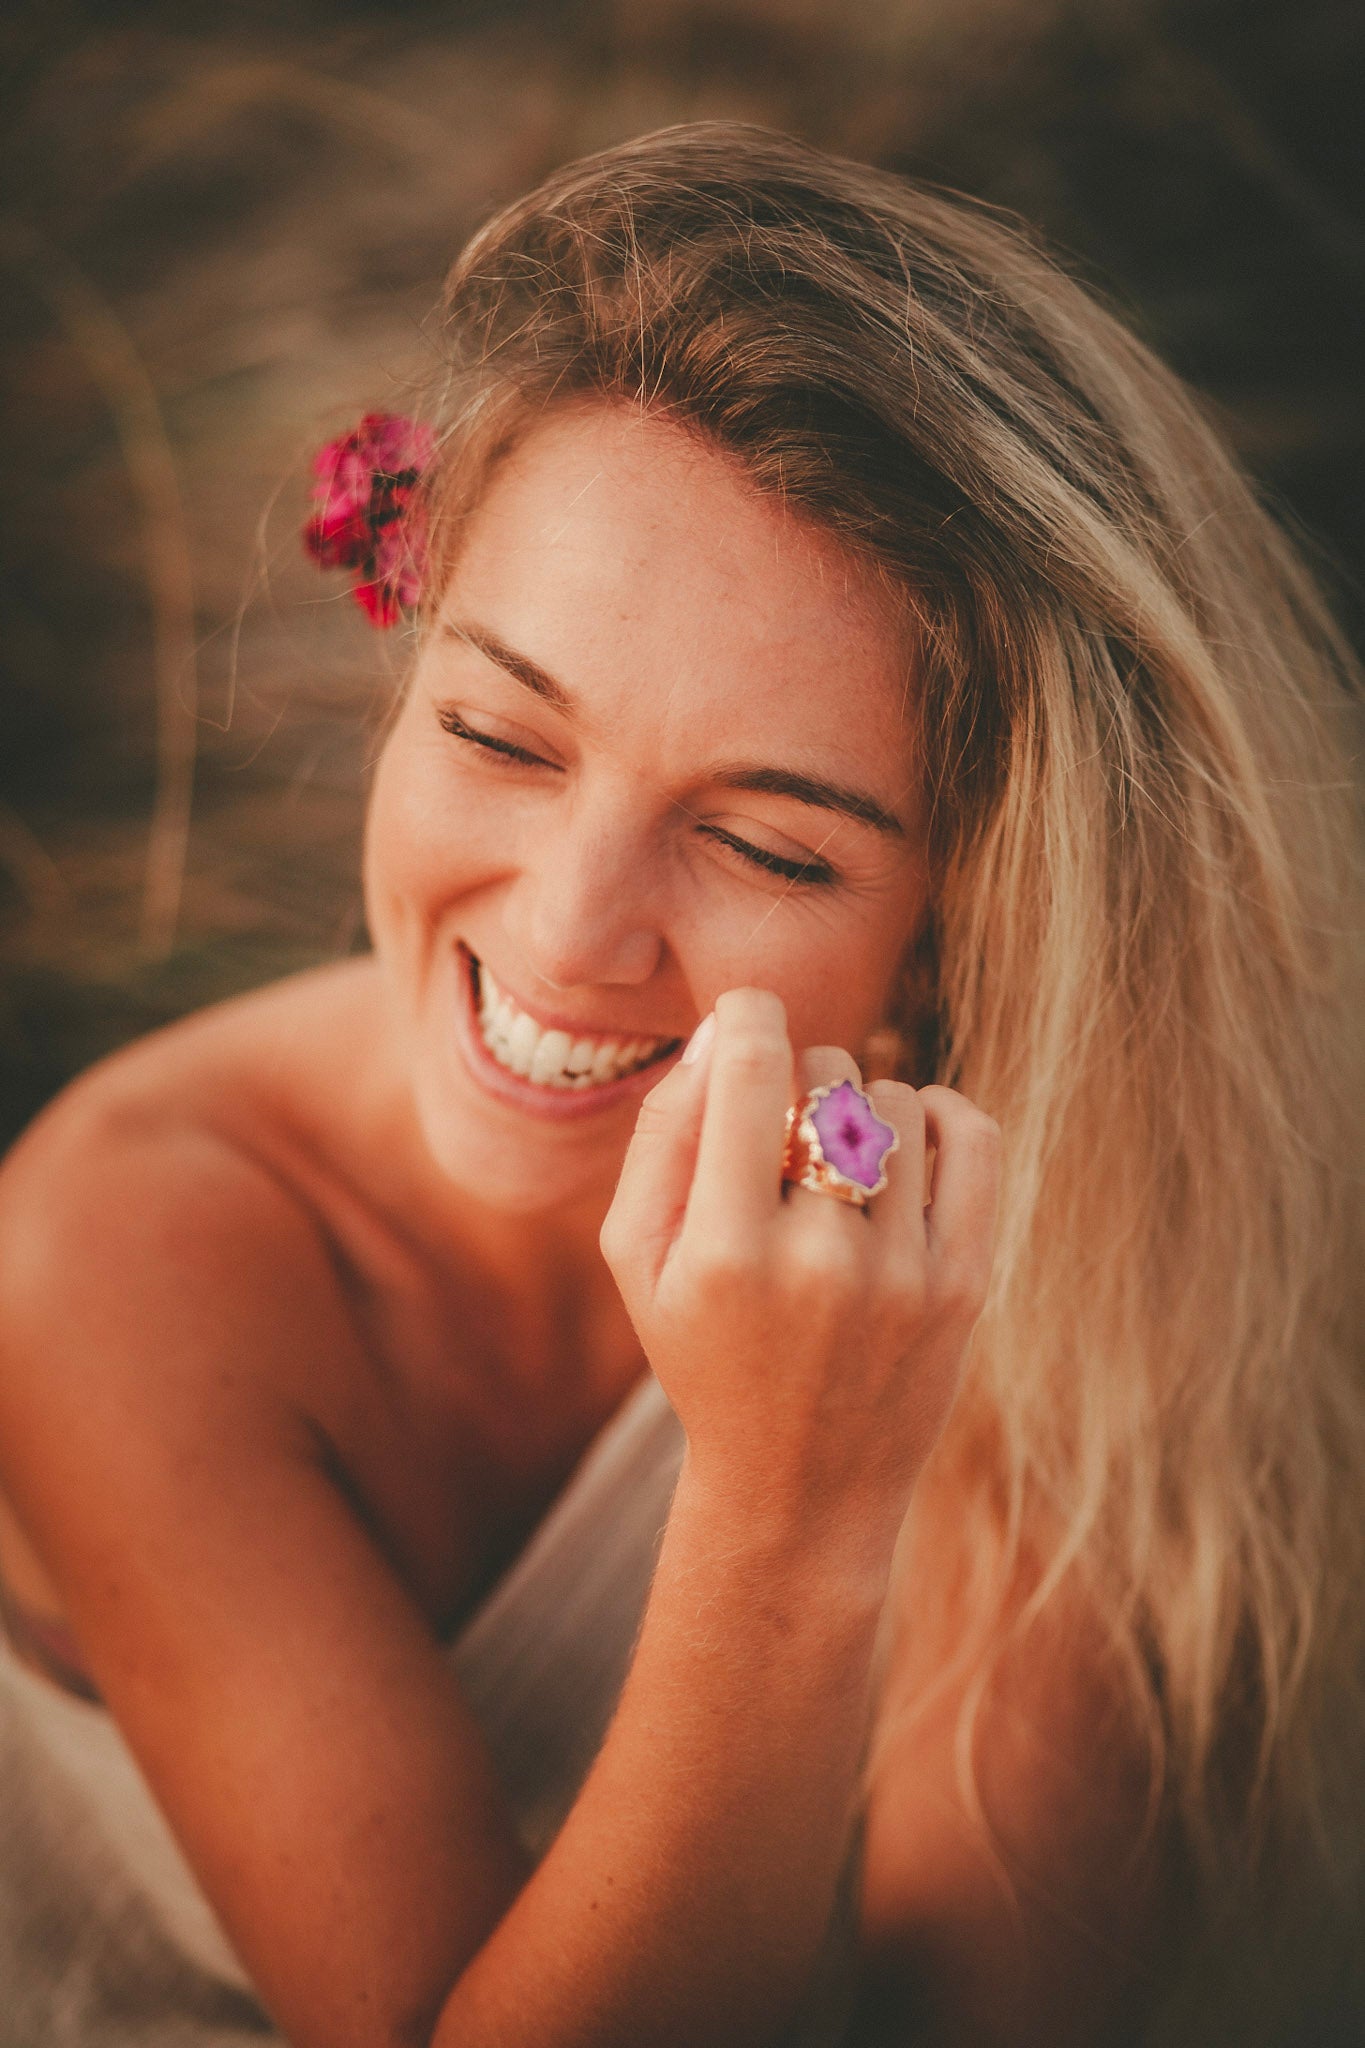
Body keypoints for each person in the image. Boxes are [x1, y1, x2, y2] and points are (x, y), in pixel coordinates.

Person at [0, 121, 1361, 2047]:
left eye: (771, 846)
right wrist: (792, 1511)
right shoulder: (118, 1246)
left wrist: (847, 1444)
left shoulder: (1037, 1247)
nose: (567, 936)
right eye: (498, 732)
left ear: (961, 925)